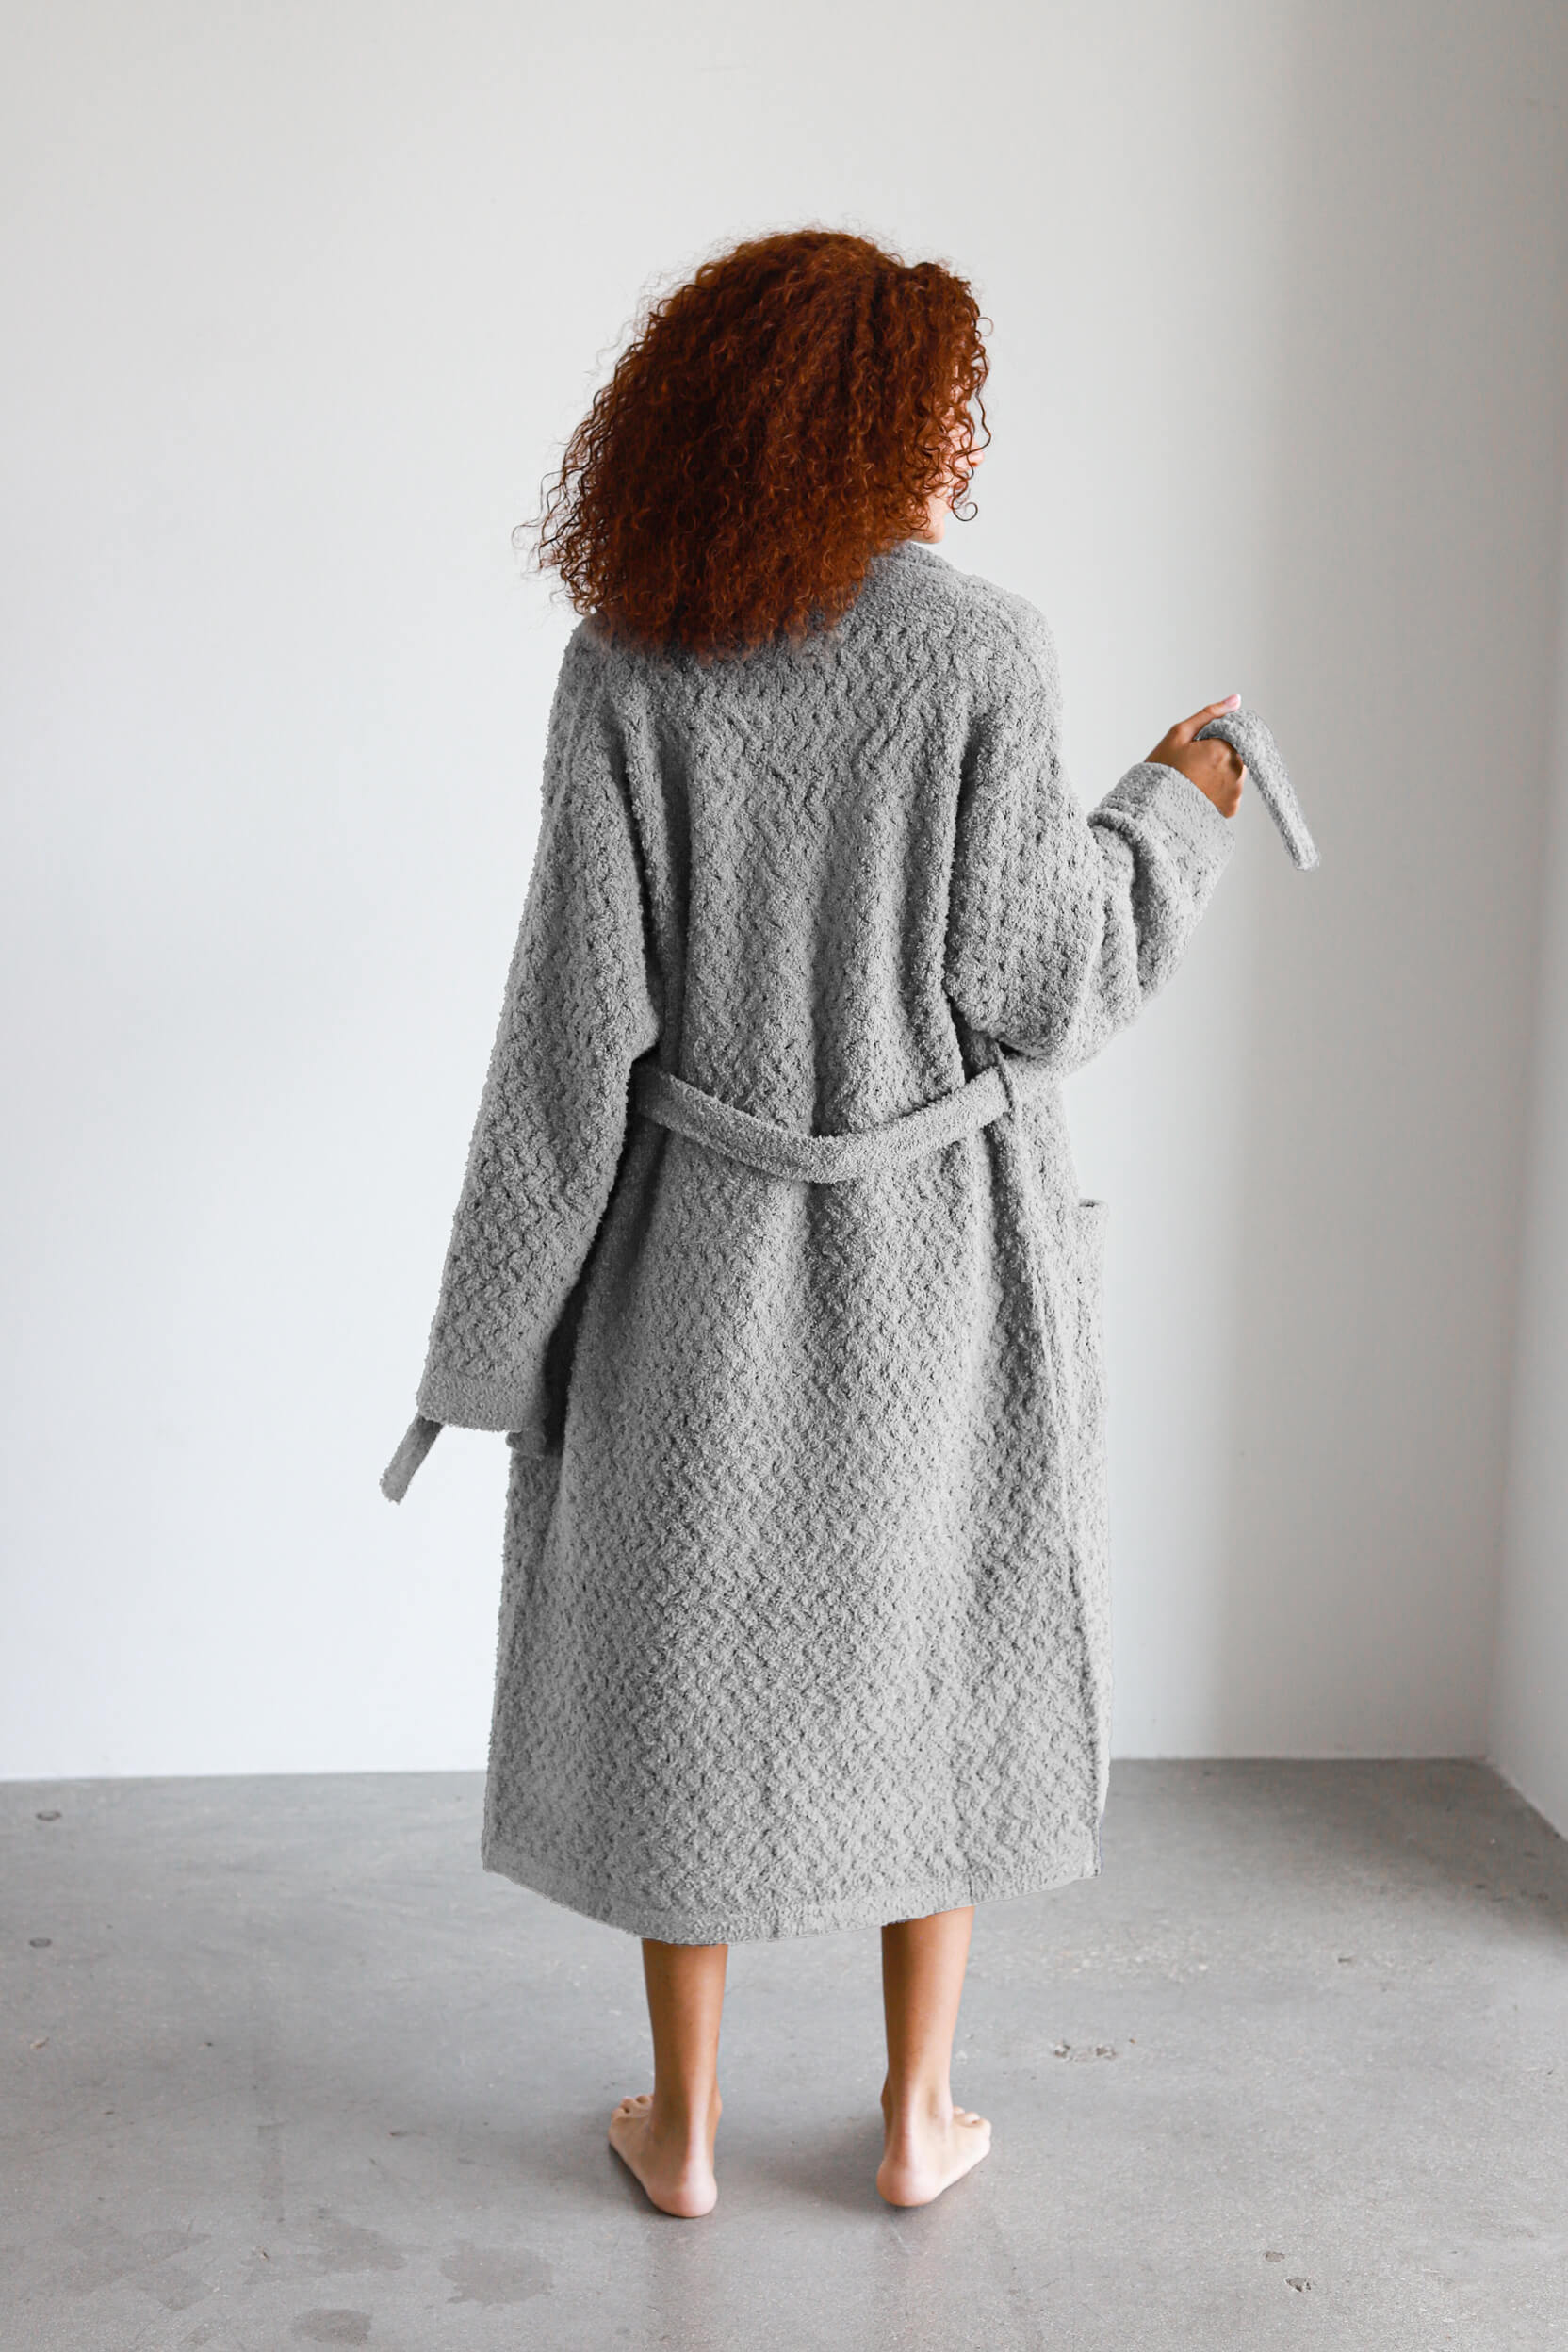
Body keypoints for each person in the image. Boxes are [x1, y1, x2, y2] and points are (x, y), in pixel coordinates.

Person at [384, 226, 1245, 2219]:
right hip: (941, 1260)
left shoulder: (629, 660)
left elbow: (569, 1030)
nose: (967, 444)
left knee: (687, 1668)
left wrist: (489, 1348)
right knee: (935, 1655)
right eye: (944, 405)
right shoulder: (985, 651)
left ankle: (681, 2129)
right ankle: (916, 2121)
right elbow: (1044, 982)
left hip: (692, 1260)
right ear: (859, 422)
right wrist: (1177, 800)